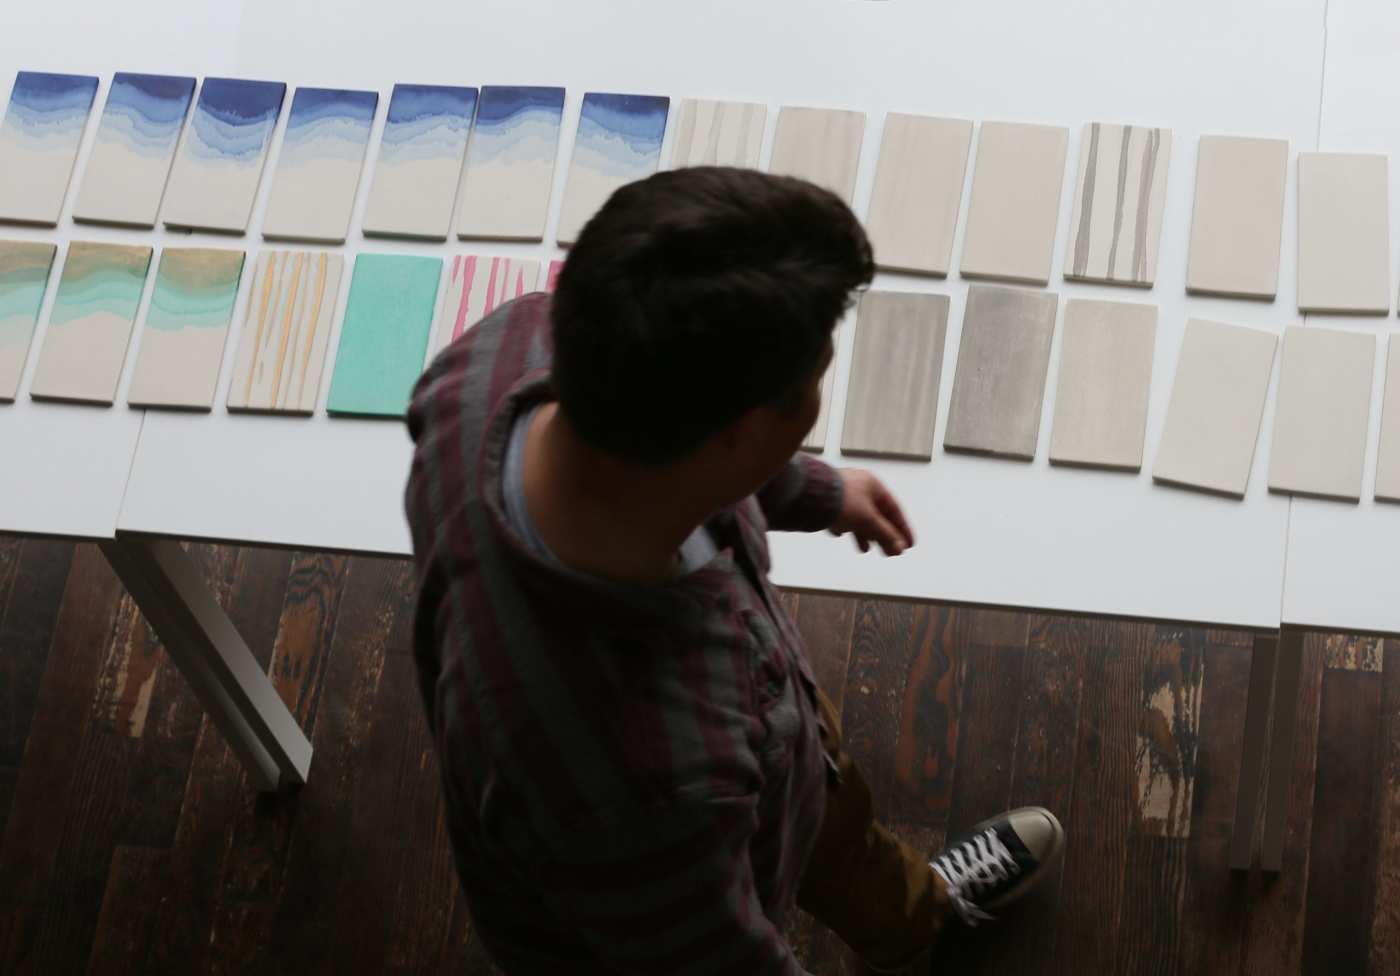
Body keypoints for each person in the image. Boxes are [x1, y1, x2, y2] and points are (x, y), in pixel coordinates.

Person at [404, 166, 1065, 974]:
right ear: (742, 432)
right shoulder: (650, 785)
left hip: (770, 735)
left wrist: (818, 490)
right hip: (658, 905)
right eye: (814, 379)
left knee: (822, 798)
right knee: (787, 817)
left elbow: (697, 453)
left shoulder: (503, 357)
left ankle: (913, 918)